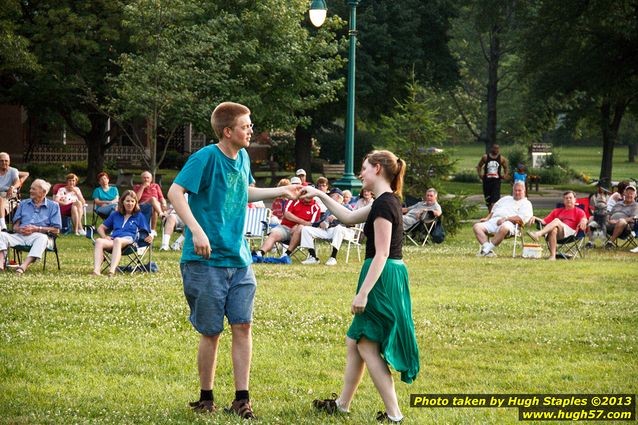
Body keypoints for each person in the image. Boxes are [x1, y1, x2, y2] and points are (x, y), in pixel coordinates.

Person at [167, 102, 300, 419]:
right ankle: (206, 397)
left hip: (239, 259)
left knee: (243, 326)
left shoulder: (241, 157)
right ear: (228, 131)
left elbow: (245, 192)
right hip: (205, 261)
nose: (251, 130)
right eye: (246, 126)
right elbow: (174, 192)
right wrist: (196, 231)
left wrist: (282, 193)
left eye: (250, 125)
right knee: (211, 332)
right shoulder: (205, 158)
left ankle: (242, 399)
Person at [308, 150, 419, 424]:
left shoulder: (384, 205)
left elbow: (382, 254)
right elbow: (347, 218)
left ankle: (394, 415)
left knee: (367, 344)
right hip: (384, 273)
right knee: (355, 340)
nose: (360, 174)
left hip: (381, 276)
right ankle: (342, 404)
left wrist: (363, 293)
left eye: (364, 168)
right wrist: (320, 195)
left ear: (378, 169)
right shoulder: (385, 201)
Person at [0, 179, 61, 273]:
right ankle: (1, 265)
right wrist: (19, 229)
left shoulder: (53, 206)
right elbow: (15, 226)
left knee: (42, 238)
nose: (30, 191)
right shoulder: (24, 203)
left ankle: (23, 266)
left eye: (33, 189)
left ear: (43, 192)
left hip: (39, 236)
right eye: (30, 188)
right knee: (1, 235)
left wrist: (36, 229)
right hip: (20, 235)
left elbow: (56, 230)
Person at [92, 190, 152, 276]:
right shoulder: (115, 215)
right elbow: (101, 228)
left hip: (130, 240)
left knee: (118, 240)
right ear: (122, 202)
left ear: (135, 203)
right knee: (99, 241)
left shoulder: (139, 216)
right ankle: (96, 271)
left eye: (132, 201)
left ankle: (111, 271)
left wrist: (150, 236)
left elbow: (146, 232)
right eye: (127, 201)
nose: (130, 203)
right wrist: (104, 236)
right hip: (114, 239)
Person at [473, 181, 533, 257]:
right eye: (515, 190)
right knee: (477, 226)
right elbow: (494, 209)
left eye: (519, 190)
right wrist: (487, 218)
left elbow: (521, 218)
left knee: (505, 227)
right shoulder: (506, 198)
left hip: (511, 224)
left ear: (524, 191)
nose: (517, 192)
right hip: (494, 221)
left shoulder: (526, 203)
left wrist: (506, 219)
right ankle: (488, 252)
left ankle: (485, 250)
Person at [254, 195, 320, 262]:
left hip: (301, 234)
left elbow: (310, 224)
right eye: (305, 193)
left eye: (310, 194)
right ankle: (260, 253)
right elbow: (287, 214)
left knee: (300, 228)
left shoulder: (315, 208)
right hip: (285, 227)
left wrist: (298, 226)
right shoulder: (293, 200)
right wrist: (301, 222)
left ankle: (286, 255)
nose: (308, 195)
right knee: (274, 234)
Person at [528, 191, 587, 260]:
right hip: (559, 234)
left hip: (571, 233)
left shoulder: (579, 211)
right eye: (566, 198)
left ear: (575, 200)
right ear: (563, 200)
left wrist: (584, 221)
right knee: (553, 229)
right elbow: (544, 221)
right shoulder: (557, 211)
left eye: (570, 198)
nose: (568, 199)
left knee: (556, 220)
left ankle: (538, 234)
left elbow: (584, 219)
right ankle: (553, 256)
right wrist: (535, 217)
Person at [300, 188, 350, 266]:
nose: (328, 198)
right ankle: (313, 257)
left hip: (343, 230)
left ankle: (333, 257)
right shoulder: (328, 209)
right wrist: (321, 223)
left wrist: (339, 217)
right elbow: (320, 222)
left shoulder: (347, 206)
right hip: (328, 230)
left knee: (338, 228)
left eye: (331, 196)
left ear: (337, 197)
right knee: (305, 229)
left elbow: (352, 222)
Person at [477, 143, 509, 212]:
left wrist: (505, 175)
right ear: (491, 149)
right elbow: (479, 166)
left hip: (496, 182)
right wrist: (480, 174)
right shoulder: (485, 157)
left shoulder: (501, 158)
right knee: (488, 199)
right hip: (487, 181)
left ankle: (492, 215)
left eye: (498, 148)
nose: (496, 150)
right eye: (495, 148)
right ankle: (489, 214)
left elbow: (506, 167)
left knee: (495, 200)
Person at [604, 184, 638, 249]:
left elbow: (633, 217)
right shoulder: (618, 203)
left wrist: (617, 221)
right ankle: (590, 243)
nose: (629, 195)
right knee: (594, 218)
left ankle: (610, 242)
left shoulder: (636, 205)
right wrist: (608, 219)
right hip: (610, 224)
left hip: (625, 228)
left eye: (631, 193)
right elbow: (610, 213)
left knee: (621, 221)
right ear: (624, 194)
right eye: (627, 193)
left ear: (635, 195)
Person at [0, 152, 20, 231]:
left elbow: (18, 182)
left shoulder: (13, 171)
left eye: (6, 161)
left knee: (0, 200)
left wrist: (12, 187)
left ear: (9, 162)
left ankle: (3, 225)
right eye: (1, 161)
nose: (4, 163)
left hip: (9, 195)